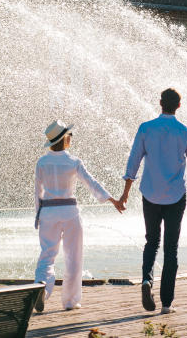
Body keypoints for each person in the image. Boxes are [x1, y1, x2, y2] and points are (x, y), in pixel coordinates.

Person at [119, 88, 187, 315]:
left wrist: (125, 192)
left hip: (150, 194)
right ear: (179, 105)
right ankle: (166, 304)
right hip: (175, 196)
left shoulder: (146, 128)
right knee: (171, 248)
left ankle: (147, 279)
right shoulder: (185, 131)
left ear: (160, 103)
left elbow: (133, 161)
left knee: (151, 242)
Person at [33, 120, 123, 312]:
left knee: (47, 255)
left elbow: (37, 193)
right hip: (70, 211)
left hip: (48, 211)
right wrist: (111, 199)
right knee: (74, 257)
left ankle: (41, 286)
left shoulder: (42, 162)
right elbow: (92, 183)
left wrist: (38, 216)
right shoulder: (73, 162)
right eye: (69, 135)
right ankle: (70, 301)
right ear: (65, 139)